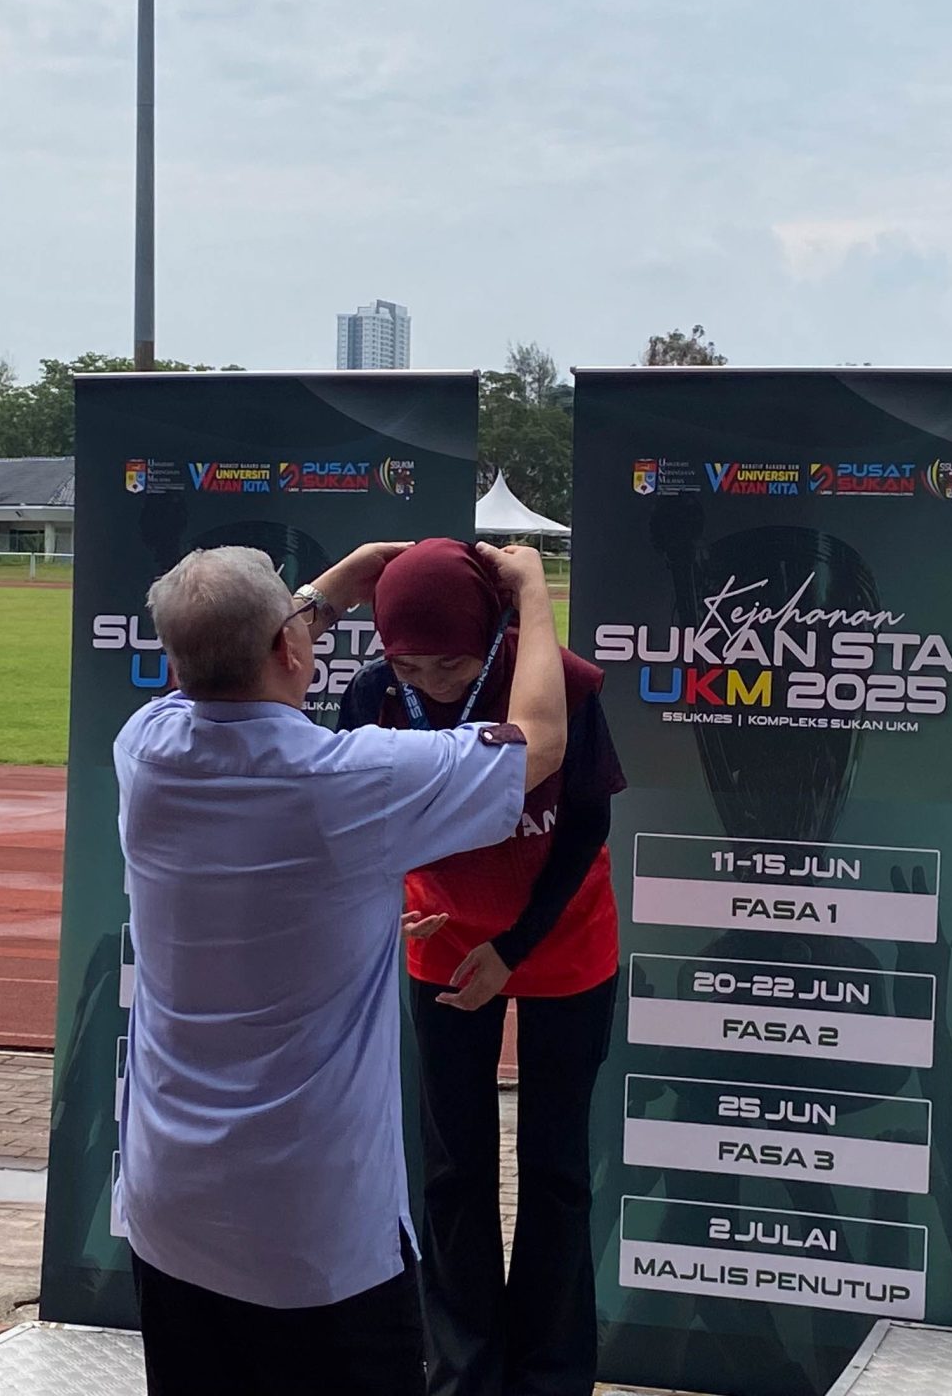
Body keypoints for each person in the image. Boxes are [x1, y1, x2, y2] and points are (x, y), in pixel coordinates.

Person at [113, 540, 570, 1396]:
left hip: (170, 1208)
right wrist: (534, 592)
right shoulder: (348, 778)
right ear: (290, 648)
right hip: (313, 1237)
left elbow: (214, 667)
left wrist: (318, 598)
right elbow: (538, 743)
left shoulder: (146, 748)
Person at [338, 539, 625, 1396]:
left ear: (495, 634)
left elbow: (585, 828)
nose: (430, 683)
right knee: (452, 1165)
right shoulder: (372, 694)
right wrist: (384, 902)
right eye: (410, 664)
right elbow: (351, 824)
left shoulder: (560, 685)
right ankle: (462, 1369)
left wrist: (514, 948)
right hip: (444, 941)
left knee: (556, 1166)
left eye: (451, 664)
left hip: (562, 938)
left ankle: (552, 1375)